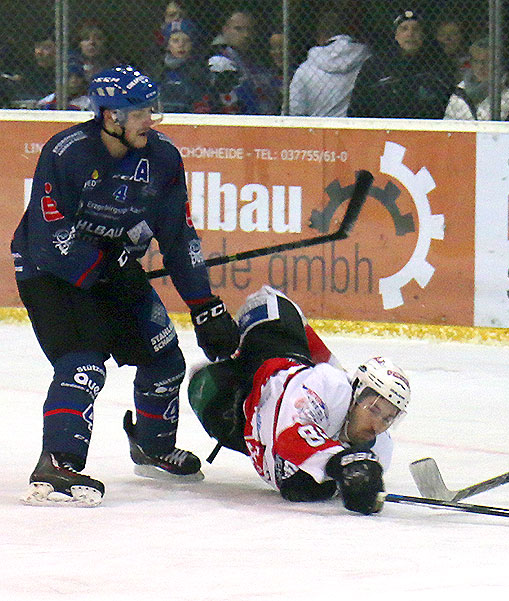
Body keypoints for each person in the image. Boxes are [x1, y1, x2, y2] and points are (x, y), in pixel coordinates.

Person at [11, 65, 240, 507]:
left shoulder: (164, 159)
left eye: (150, 111)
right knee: (84, 363)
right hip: (50, 272)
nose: (149, 121)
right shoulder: (66, 152)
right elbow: (48, 236)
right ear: (109, 116)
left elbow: (178, 236)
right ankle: (57, 463)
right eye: (139, 113)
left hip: (113, 267)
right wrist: (102, 266)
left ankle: (152, 447)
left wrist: (204, 305)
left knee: (165, 357)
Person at [187, 286, 410, 515]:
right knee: (270, 304)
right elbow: (290, 437)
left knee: (203, 389)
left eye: (388, 418)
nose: (378, 424)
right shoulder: (332, 386)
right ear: (357, 394)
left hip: (241, 421)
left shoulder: (380, 449)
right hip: (272, 360)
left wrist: (359, 489)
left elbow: (295, 480)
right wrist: (340, 464)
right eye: (374, 409)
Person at [348, 10, 454, 119]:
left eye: (416, 29)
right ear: (396, 35)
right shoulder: (375, 66)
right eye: (404, 29)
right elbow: (357, 107)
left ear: (423, 35)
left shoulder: (437, 66)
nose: (410, 34)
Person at [289, 10, 370, 117]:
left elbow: (296, 110)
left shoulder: (305, 69)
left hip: (316, 129)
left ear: (320, 37)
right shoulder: (365, 61)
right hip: (352, 129)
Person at [207, 10, 280, 115]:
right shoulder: (218, 61)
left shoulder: (256, 61)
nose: (246, 35)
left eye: (249, 30)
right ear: (225, 30)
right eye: (238, 29)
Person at [444, 36, 509, 121]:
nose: (480, 67)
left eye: (486, 62)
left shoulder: (508, 93)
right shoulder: (459, 91)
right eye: (476, 61)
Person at [155, 18, 208, 114]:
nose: (181, 45)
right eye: (175, 41)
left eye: (186, 41)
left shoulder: (198, 69)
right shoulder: (158, 69)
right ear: (167, 45)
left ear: (192, 44)